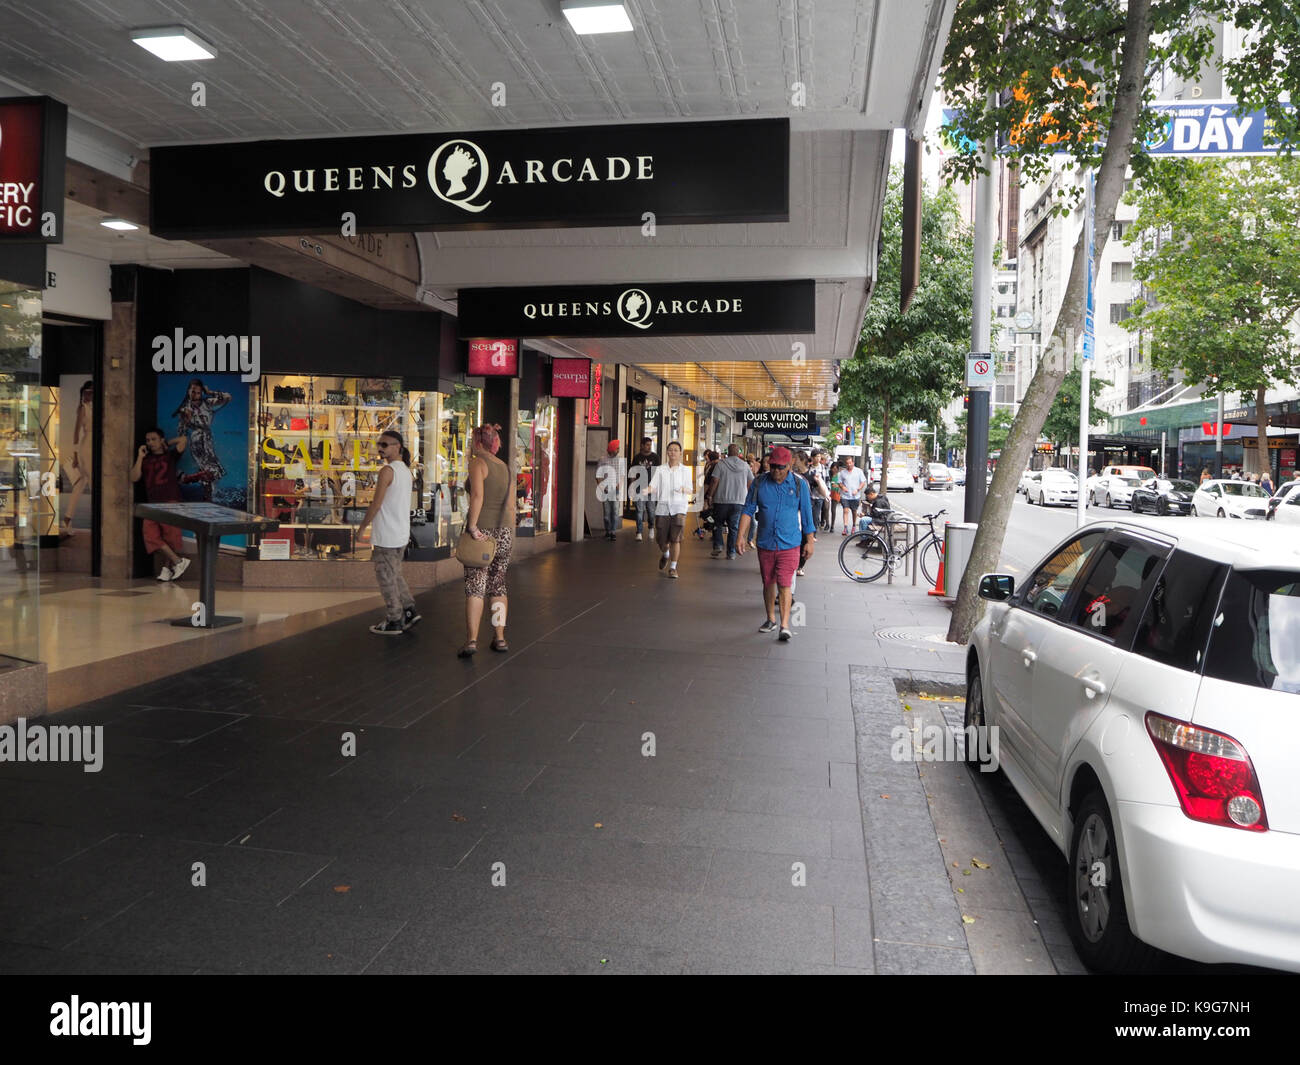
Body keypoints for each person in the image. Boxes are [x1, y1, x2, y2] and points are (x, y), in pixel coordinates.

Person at [737, 446, 814, 642]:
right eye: (772, 467)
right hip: (765, 541)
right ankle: (770, 618)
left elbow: (807, 515)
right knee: (768, 581)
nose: (776, 471)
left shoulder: (799, 484)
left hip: (790, 543)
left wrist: (810, 541)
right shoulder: (759, 483)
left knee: (785, 583)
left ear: (789, 465)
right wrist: (741, 536)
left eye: (780, 467)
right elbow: (748, 509)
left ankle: (785, 624)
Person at [357, 430, 419, 636]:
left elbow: (376, 504)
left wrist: (363, 527)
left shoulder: (388, 471)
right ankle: (409, 609)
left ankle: (394, 618)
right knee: (395, 573)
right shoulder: (405, 471)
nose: (381, 448)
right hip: (400, 532)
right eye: (379, 444)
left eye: (385, 444)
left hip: (387, 534)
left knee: (386, 577)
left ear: (397, 446)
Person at [460, 423, 515, 655]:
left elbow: (477, 495)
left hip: (483, 531)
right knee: (498, 585)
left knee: (476, 586)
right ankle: (500, 637)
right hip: (505, 532)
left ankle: (472, 640)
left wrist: (472, 526)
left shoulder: (477, 462)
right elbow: (511, 505)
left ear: (477, 441)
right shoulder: (505, 467)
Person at [131, 426, 192, 582]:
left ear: (161, 440)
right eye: (148, 440)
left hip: (170, 500)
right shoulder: (145, 459)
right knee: (150, 536)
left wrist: (166, 444)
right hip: (152, 503)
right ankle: (178, 562)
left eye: (154, 439)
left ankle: (167, 569)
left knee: (170, 538)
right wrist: (139, 456)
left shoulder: (170, 456)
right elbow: (133, 477)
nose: (150, 443)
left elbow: (183, 439)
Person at [174, 377, 231, 502]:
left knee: (211, 472)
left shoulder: (208, 403)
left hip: (208, 439)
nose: (195, 395)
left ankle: (205, 496)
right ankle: (205, 496)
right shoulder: (185, 410)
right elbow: (181, 433)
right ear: (188, 391)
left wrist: (210, 392)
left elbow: (227, 397)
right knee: (210, 470)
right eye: (193, 391)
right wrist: (186, 420)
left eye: (198, 392)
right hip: (197, 440)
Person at [647, 440, 692, 578]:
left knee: (675, 539)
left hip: (679, 508)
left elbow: (690, 489)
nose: (673, 452)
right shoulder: (660, 469)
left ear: (680, 453)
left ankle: (673, 568)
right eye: (670, 450)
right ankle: (665, 553)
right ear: (667, 452)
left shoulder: (685, 470)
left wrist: (683, 489)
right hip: (662, 508)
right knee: (661, 540)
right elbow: (653, 486)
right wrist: (645, 490)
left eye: (675, 450)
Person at [708, 444, 754, 559]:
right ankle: (731, 552)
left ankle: (718, 545)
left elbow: (714, 481)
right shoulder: (745, 465)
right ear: (738, 453)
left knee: (717, 523)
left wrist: (710, 495)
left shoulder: (721, 464)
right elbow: (750, 483)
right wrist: (748, 497)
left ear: (727, 452)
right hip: (739, 501)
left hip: (721, 500)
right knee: (734, 527)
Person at [64, 379, 94, 530]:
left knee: (80, 484)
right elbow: (76, 433)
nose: (88, 395)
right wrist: (75, 455)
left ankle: (68, 518)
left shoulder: (94, 408)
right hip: (87, 446)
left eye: (91, 392)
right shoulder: (83, 408)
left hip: (93, 445)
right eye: (86, 392)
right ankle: (99, 518)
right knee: (92, 482)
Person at [628, 437, 659, 542]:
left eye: (650, 445)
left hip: (651, 488)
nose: (649, 446)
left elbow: (659, 473)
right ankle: (639, 532)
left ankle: (651, 528)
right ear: (642, 445)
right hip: (639, 488)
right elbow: (632, 472)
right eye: (647, 445)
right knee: (639, 511)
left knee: (651, 511)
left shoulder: (655, 457)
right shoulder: (637, 458)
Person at [595, 440, 625, 540]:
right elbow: (598, 475)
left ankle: (613, 532)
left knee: (615, 511)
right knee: (607, 514)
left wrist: (619, 485)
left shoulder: (621, 460)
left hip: (615, 490)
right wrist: (601, 486)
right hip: (606, 490)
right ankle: (608, 530)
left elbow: (622, 475)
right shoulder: (602, 460)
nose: (619, 450)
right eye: (617, 448)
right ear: (612, 449)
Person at [838, 455, 867, 535]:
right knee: (845, 510)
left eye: (850, 463)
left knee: (854, 511)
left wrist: (858, 489)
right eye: (847, 463)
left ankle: (854, 526)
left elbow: (863, 482)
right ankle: (845, 527)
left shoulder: (858, 471)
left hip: (855, 496)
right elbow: (839, 483)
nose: (849, 465)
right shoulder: (842, 473)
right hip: (845, 496)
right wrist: (843, 487)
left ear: (853, 463)